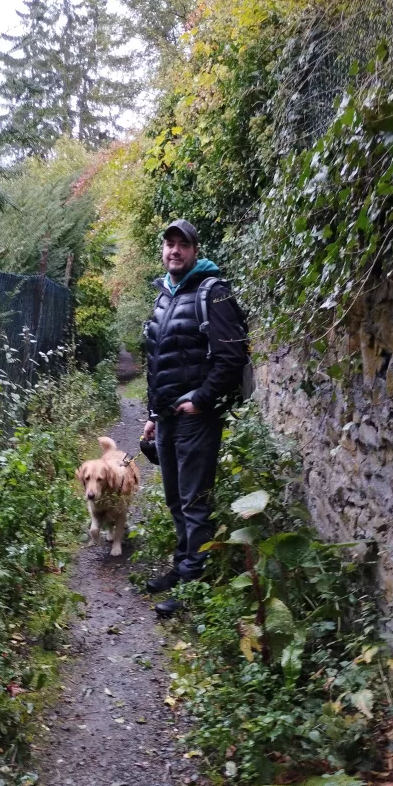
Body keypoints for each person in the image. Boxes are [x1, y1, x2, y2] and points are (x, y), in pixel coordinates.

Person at [142, 219, 248, 617]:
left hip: (195, 417)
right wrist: (153, 414)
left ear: (195, 249)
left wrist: (201, 401)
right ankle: (182, 566)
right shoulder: (164, 295)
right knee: (175, 498)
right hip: (168, 417)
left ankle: (191, 587)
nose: (174, 251)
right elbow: (156, 361)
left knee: (194, 501)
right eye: (168, 244)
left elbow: (233, 356)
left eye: (181, 244)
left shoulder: (213, 293)